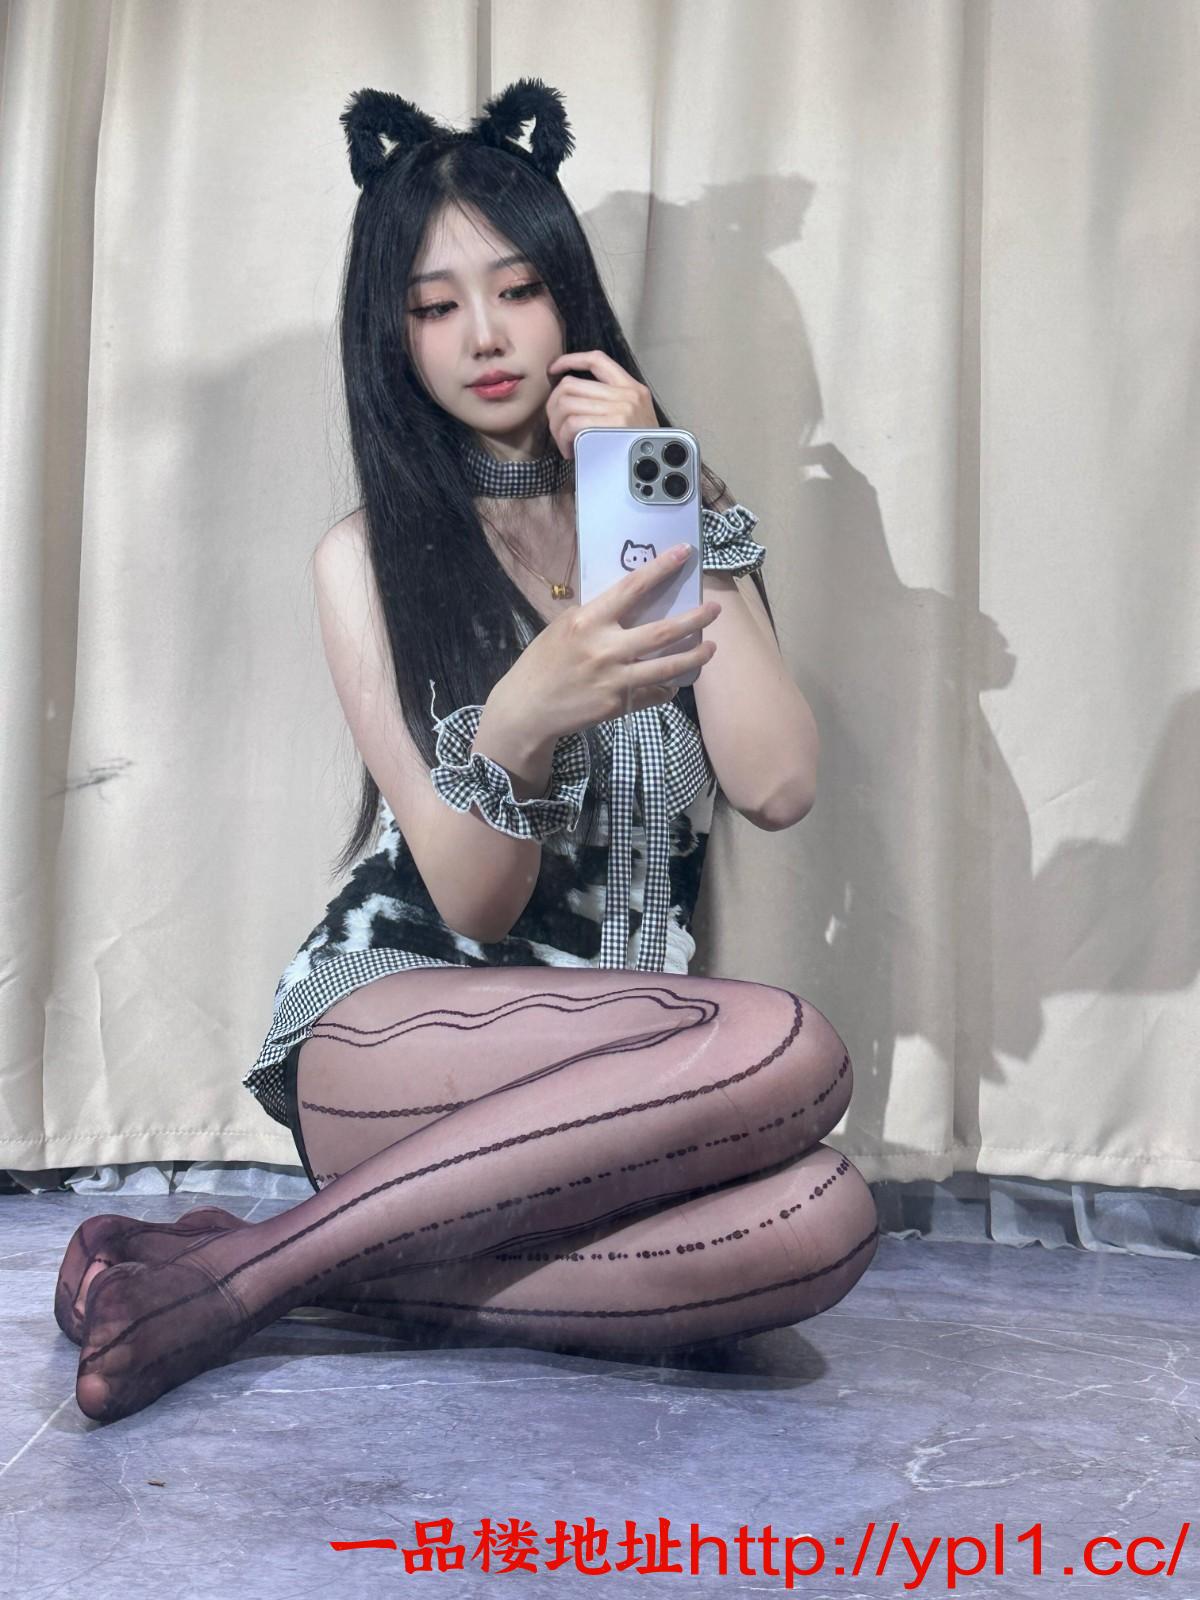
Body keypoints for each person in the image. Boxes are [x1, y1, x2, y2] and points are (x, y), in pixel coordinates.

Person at [55, 78, 878, 1424]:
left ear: (570, 302)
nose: (485, 337)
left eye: (518, 291)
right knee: (784, 1043)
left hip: (613, 1080)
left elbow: (778, 784)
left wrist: (660, 486)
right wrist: (521, 716)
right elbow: (476, 904)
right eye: (435, 307)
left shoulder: (654, 508)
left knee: (824, 1218)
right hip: (401, 1042)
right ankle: (248, 1279)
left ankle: (258, 1273)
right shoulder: (365, 559)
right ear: (393, 338)